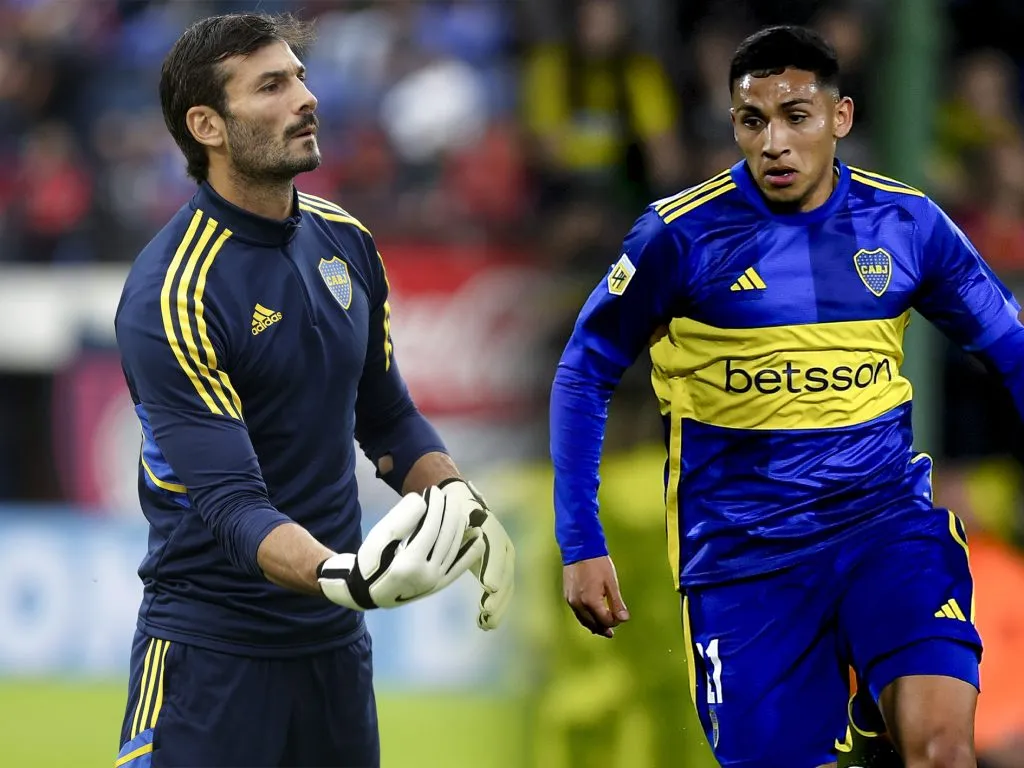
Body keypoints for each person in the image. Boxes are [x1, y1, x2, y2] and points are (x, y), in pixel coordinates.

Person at [550, 24, 1024, 768]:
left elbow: (1012, 349)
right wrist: (581, 543)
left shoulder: (906, 225)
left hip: (884, 529)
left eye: (795, 116)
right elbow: (585, 370)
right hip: (746, 561)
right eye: (752, 120)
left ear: (840, 118)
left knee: (941, 749)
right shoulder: (678, 238)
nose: (773, 141)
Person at [113, 13, 515, 768]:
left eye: (299, 75)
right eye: (272, 85)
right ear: (209, 125)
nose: (307, 97)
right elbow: (233, 505)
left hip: (334, 658)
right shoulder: (172, 290)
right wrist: (345, 573)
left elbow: (387, 417)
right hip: (212, 659)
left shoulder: (347, 240)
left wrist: (461, 502)